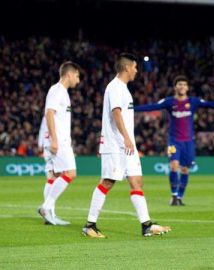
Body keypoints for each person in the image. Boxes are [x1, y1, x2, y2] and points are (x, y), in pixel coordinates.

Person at [82, 53, 171, 238]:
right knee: (107, 181)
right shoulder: (114, 87)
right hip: (116, 143)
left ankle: (146, 225)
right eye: (135, 67)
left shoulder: (123, 89)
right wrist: (127, 138)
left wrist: (129, 140)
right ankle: (90, 225)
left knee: (137, 181)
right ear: (126, 68)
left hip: (127, 145)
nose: (137, 71)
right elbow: (116, 113)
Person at [135, 75, 214, 206]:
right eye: (179, 84)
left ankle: (180, 197)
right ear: (175, 87)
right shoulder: (169, 102)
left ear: (187, 88)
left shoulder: (194, 101)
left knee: (185, 169)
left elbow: (211, 105)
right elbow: (151, 107)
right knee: (174, 165)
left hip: (188, 141)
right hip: (174, 140)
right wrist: (132, 108)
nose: (182, 87)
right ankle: (174, 196)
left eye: (184, 85)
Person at [37, 61, 81, 226]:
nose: (78, 79)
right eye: (77, 75)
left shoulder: (61, 92)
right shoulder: (58, 90)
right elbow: (49, 113)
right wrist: (54, 139)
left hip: (55, 139)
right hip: (58, 141)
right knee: (70, 173)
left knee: (53, 176)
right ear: (69, 74)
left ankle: (50, 215)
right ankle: (47, 207)